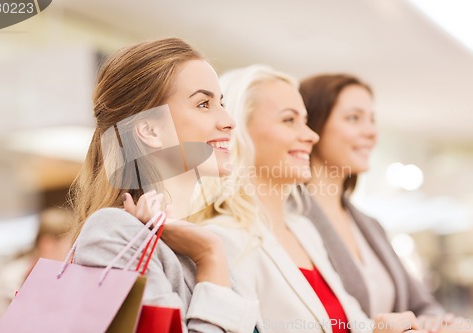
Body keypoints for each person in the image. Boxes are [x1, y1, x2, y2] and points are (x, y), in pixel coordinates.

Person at [124, 64, 427, 333]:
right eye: (289, 120)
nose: (311, 136)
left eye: (305, 121)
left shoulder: (304, 231)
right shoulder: (224, 239)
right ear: (240, 132)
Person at [71, 37, 259, 333]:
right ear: (150, 130)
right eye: (203, 104)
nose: (228, 121)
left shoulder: (191, 238)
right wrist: (210, 256)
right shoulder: (114, 232)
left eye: (220, 103)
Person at [297, 74, 446, 319]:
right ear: (313, 125)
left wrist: (437, 323)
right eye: (353, 118)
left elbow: (422, 305)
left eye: (372, 120)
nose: (371, 132)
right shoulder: (289, 219)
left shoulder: (369, 224)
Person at [0, 208, 73, 333]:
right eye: (69, 248)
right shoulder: (8, 282)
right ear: (47, 245)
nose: (71, 258)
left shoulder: (53, 280)